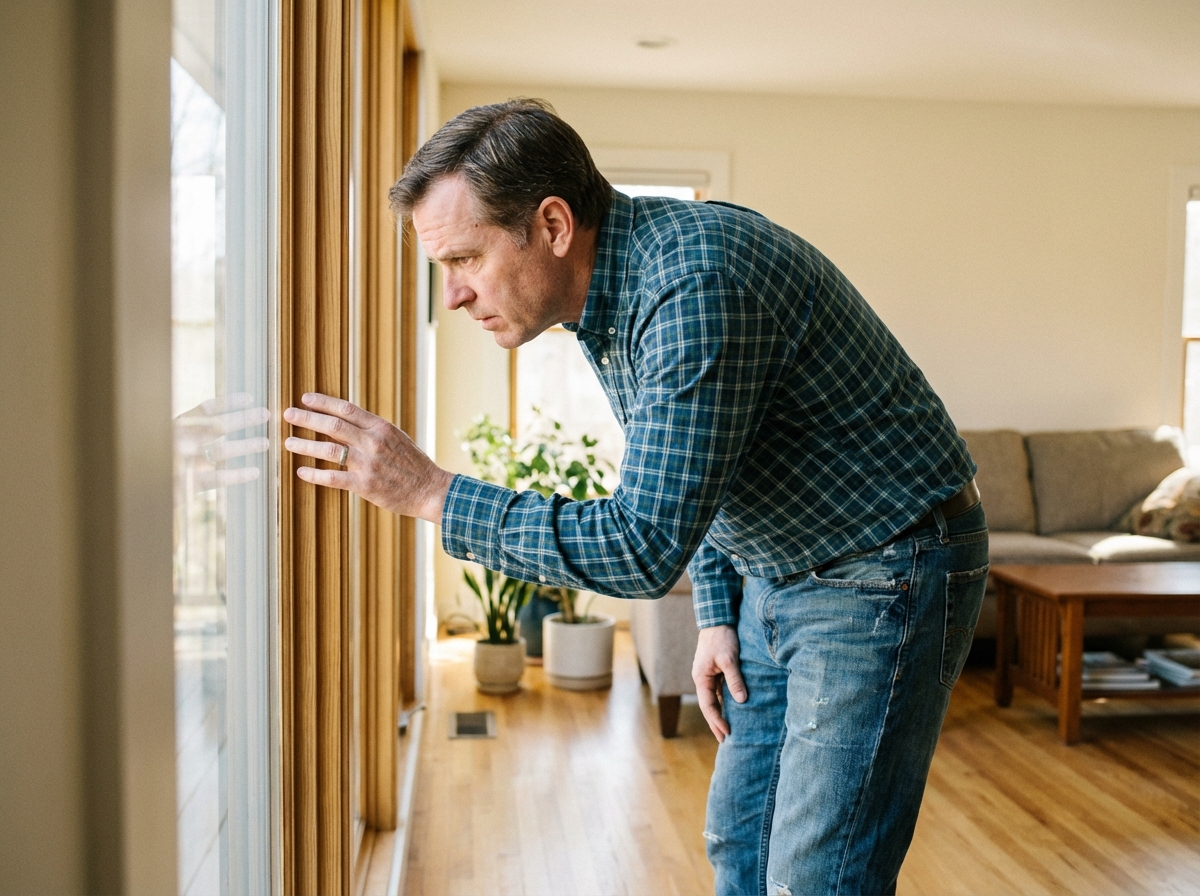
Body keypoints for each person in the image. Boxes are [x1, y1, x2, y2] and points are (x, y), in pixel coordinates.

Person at [283, 99, 988, 896]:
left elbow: (640, 545)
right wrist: (717, 613)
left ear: (553, 225)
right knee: (741, 843)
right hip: (781, 566)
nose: (452, 296)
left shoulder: (692, 287)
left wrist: (432, 493)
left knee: (817, 877)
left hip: (885, 566)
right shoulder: (607, 297)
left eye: (466, 259)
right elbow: (708, 467)